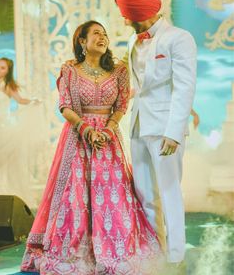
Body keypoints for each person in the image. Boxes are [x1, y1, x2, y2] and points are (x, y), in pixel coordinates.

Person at [21, 20, 163, 275]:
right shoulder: (70, 70)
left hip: (108, 141)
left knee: (113, 197)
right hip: (77, 138)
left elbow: (121, 106)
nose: (103, 37)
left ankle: (116, 252)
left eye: (105, 34)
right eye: (96, 33)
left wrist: (107, 130)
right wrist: (86, 130)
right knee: (73, 196)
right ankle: (74, 254)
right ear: (82, 42)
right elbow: (65, 106)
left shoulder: (119, 70)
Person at [115, 0, 197, 273]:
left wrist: (174, 132)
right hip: (138, 125)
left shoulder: (179, 38)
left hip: (165, 128)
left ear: (142, 14)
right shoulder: (131, 41)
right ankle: (153, 252)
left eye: (128, 16)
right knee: (144, 192)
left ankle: (176, 257)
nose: (125, 22)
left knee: (169, 190)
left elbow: (185, 86)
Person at [0, 57, 42, 205]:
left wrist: (32, 101)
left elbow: (20, 100)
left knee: (6, 161)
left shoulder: (8, 86)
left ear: (8, 71)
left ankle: (4, 191)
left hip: (4, 127)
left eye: (3, 67)